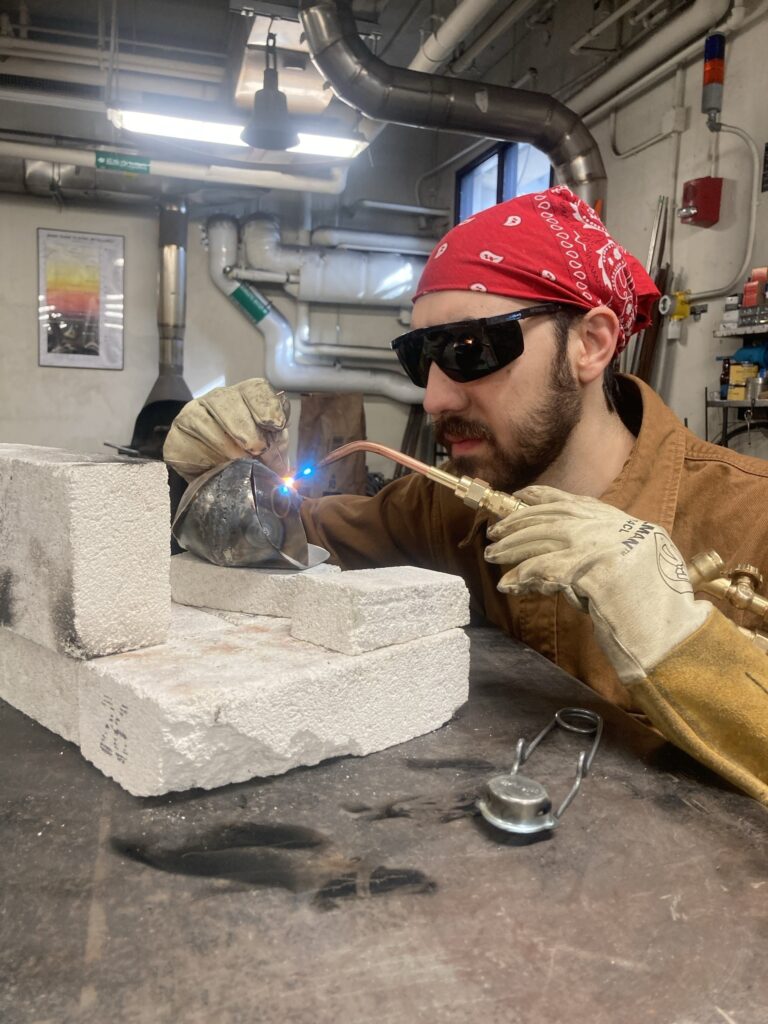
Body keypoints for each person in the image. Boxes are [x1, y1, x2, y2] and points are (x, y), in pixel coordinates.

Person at [165, 185, 768, 806]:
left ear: (590, 343)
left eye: (470, 349)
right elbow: (288, 541)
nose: (434, 399)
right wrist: (226, 478)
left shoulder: (751, 518)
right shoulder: (444, 510)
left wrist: (678, 637)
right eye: (420, 356)